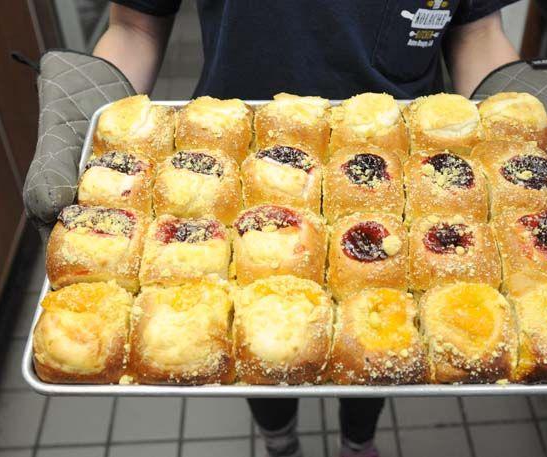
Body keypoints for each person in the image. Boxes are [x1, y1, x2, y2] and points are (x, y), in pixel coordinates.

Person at [92, 2, 519, 457]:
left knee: (380, 334)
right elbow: (135, 24)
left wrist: (516, 108)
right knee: (261, 338)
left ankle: (358, 441)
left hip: (404, 148)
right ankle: (279, 440)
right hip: (233, 145)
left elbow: (479, 33)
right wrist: (88, 100)